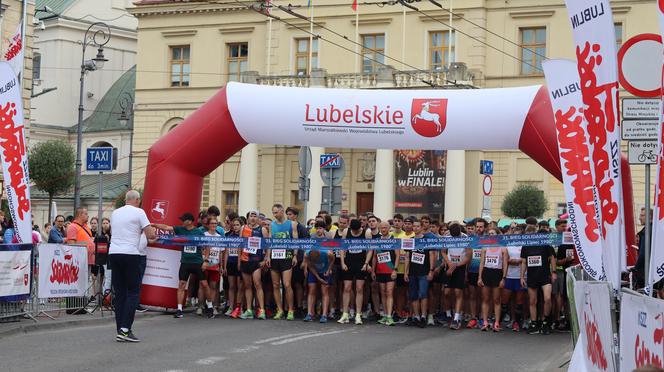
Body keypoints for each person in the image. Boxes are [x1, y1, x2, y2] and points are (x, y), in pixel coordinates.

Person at [109, 190, 155, 342]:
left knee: (120, 293)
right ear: (137, 200)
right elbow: (150, 235)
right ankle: (125, 329)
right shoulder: (139, 212)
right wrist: (150, 230)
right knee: (133, 292)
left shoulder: (115, 213)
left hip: (114, 253)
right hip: (130, 254)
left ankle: (120, 329)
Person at [153, 212, 215, 319]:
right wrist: (154, 224)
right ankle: (179, 309)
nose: (182, 221)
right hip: (185, 262)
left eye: (184, 220)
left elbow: (207, 246)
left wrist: (206, 261)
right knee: (181, 284)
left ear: (190, 221)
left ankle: (210, 307)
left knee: (204, 284)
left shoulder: (198, 232)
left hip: (197, 262)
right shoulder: (180, 229)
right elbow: (167, 228)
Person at [520, 226, 557, 335]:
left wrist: (554, 272)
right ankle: (534, 323)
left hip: (545, 276)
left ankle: (546, 321)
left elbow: (552, 258)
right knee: (532, 301)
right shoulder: (525, 247)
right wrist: (522, 276)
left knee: (547, 298)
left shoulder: (545, 244)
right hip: (532, 276)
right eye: (528, 234)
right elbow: (523, 262)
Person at [266, 204, 299, 321]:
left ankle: (290, 310)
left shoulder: (292, 224)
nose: (274, 215)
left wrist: (295, 255)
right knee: (275, 285)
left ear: (281, 211)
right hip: (275, 256)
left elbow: (295, 241)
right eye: (273, 213)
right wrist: (267, 256)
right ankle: (279, 310)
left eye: (276, 212)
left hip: (287, 256)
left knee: (286, 284)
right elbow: (270, 241)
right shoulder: (272, 225)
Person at [338, 218, 373, 325]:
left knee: (359, 289)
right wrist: (343, 263)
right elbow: (342, 248)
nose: (355, 233)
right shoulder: (346, 231)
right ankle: (345, 314)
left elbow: (370, 249)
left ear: (360, 228)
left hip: (361, 262)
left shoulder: (367, 233)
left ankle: (358, 314)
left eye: (356, 231)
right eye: (353, 231)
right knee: (347, 288)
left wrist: (366, 263)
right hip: (349, 262)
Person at [404, 219, 436, 328]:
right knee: (413, 295)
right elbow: (407, 257)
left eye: (418, 226)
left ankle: (423, 316)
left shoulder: (427, 240)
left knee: (423, 294)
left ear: (422, 228)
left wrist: (431, 271)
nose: (416, 228)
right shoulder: (410, 240)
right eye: (414, 226)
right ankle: (416, 317)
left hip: (424, 272)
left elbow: (432, 255)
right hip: (412, 272)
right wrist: (405, 272)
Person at [477, 227, 508, 332]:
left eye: (493, 233)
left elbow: (505, 264)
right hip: (487, 272)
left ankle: (496, 323)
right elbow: (481, 263)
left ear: (497, 235)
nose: (491, 235)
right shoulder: (485, 247)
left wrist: (503, 278)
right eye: (489, 233)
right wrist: (480, 277)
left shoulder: (503, 248)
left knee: (496, 299)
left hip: (497, 273)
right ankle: (485, 322)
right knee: (485, 299)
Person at [304, 221, 335, 323]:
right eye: (317, 228)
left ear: (324, 229)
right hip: (314, 271)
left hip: (325, 269)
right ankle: (309, 313)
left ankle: (324, 314)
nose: (318, 230)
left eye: (320, 228)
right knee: (311, 289)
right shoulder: (308, 251)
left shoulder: (327, 247)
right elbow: (310, 265)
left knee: (324, 291)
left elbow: (332, 258)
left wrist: (329, 269)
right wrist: (318, 277)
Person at [66, 207, 98, 306]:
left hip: (88, 260)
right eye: (86, 214)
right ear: (80, 215)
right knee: (79, 282)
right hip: (79, 261)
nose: (88, 216)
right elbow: (71, 244)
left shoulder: (85, 227)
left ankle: (83, 303)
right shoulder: (72, 227)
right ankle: (77, 304)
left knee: (84, 282)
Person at [239, 210, 267, 320]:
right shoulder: (243, 228)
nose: (253, 218)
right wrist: (239, 260)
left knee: (257, 284)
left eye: (255, 216)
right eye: (251, 216)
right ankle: (249, 310)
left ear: (258, 218)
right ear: (248, 218)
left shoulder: (262, 229)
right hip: (245, 260)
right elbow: (240, 245)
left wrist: (266, 258)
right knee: (247, 286)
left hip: (256, 261)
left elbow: (267, 245)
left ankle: (262, 310)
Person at [443, 223, 471, 330]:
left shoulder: (465, 238)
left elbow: (468, 256)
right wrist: (449, 263)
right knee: (446, 293)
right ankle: (448, 314)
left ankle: (456, 318)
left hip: (460, 266)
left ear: (460, 231)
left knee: (458, 292)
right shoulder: (447, 238)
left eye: (457, 236)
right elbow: (443, 252)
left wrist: (456, 265)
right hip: (450, 265)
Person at [372, 221, 397, 326]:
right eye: (381, 228)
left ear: (389, 228)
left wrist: (395, 269)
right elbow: (374, 257)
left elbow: (398, 255)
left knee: (389, 292)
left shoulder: (394, 240)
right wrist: (373, 270)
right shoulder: (377, 240)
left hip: (390, 270)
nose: (383, 230)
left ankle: (390, 316)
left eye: (385, 228)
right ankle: (385, 315)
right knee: (382, 293)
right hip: (380, 271)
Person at [286, 206, 309, 318]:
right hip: (285, 258)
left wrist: (304, 261)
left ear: (295, 216)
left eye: (290, 214)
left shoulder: (302, 228)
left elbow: (305, 246)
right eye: (287, 214)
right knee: (287, 284)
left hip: (298, 259)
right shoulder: (285, 227)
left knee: (298, 284)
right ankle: (288, 307)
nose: (288, 216)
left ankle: (299, 307)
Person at [553, 219, 575, 331]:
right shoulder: (560, 244)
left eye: (565, 226)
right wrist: (567, 259)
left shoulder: (575, 244)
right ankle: (563, 320)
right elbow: (557, 261)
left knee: (568, 298)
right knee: (562, 297)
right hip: (561, 273)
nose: (565, 228)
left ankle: (569, 320)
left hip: (574, 275)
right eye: (563, 226)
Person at [224, 217, 244, 318]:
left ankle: (239, 307)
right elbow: (227, 252)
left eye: (237, 225)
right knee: (232, 286)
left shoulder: (244, 236)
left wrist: (240, 262)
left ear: (241, 226)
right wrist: (225, 266)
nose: (235, 227)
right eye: (234, 225)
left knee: (240, 286)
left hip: (240, 263)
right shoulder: (229, 236)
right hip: (231, 263)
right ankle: (231, 307)